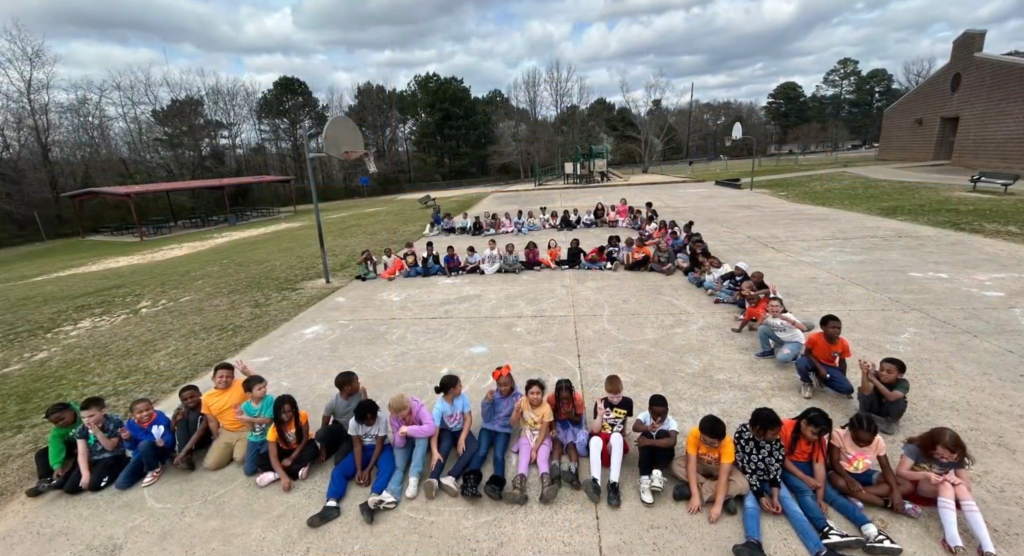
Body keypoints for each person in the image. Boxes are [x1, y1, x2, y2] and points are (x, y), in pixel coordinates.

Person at [731, 408, 851, 556]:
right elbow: (746, 468)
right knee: (751, 505)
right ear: (758, 430)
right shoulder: (741, 435)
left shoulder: (775, 440)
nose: (777, 437)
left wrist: (775, 495)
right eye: (773, 434)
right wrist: (761, 496)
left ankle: (821, 551)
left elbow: (775, 466)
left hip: (769, 478)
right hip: (747, 478)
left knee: (792, 507)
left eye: (778, 433)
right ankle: (753, 543)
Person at [780, 408, 900, 553]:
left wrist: (820, 495)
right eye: (814, 433)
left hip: (809, 465)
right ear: (803, 423)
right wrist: (804, 478)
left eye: (820, 435)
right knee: (804, 491)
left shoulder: (818, 439)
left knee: (833, 496)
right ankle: (826, 530)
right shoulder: (785, 427)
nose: (816, 438)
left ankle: (870, 529)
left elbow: (818, 464)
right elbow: (781, 458)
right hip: (787, 467)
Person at [897, 427, 995, 556]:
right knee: (945, 485)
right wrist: (925, 475)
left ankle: (987, 544)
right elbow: (900, 471)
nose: (944, 460)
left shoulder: (957, 456)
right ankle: (952, 537)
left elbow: (967, 486)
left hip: (939, 488)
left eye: (950, 458)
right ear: (930, 446)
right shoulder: (916, 448)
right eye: (940, 455)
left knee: (959, 487)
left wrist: (955, 479)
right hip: (917, 483)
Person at [307, 399, 394, 527]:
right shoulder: (353, 422)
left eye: (372, 419)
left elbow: (379, 445)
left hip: (381, 448)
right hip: (363, 449)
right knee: (338, 471)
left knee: (389, 467)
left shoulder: (382, 419)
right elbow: (357, 446)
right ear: (360, 419)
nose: (370, 422)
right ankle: (331, 505)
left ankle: (372, 499)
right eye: (367, 421)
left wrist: (368, 470)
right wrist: (359, 470)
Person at [829, 413, 920, 517]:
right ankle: (885, 503)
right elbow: (834, 462)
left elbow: (885, 467)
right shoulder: (838, 434)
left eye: (868, 442)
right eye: (857, 440)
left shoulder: (878, 441)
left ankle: (855, 494)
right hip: (841, 472)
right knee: (838, 482)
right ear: (850, 430)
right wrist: (848, 478)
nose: (862, 444)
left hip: (864, 472)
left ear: (874, 436)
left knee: (907, 486)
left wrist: (896, 492)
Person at [672, 414, 747, 519]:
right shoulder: (694, 434)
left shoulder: (727, 444)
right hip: (700, 464)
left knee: (743, 485)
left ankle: (698, 490)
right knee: (676, 465)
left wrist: (718, 505)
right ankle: (723, 495)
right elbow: (691, 465)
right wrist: (695, 495)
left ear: (720, 440)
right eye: (704, 440)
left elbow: (723, 477)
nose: (707, 445)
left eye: (712, 443)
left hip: (718, 468)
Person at [374, 393, 435, 508]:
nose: (400, 418)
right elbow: (399, 444)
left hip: (419, 439)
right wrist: (400, 435)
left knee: (422, 438)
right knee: (399, 465)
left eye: (402, 415)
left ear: (408, 407)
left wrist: (409, 429)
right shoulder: (394, 416)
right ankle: (391, 494)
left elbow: (431, 428)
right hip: (405, 441)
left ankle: (413, 479)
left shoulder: (419, 408)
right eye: (398, 416)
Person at [471, 365, 521, 501]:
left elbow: (513, 423)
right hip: (487, 428)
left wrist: (517, 409)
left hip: (503, 431)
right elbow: (486, 418)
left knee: (499, 456)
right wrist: (486, 402)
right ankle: (470, 482)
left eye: (506, 384)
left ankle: (496, 485)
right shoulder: (493, 396)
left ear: (511, 382)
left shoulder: (518, 398)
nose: (503, 388)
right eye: (500, 385)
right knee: (481, 452)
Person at [503, 379, 557, 505]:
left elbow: (544, 430)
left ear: (542, 394)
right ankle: (518, 491)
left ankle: (546, 489)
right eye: (531, 393)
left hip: (542, 437)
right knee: (523, 460)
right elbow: (512, 423)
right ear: (526, 394)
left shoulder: (546, 408)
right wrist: (516, 410)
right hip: (526, 435)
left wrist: (535, 449)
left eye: (538, 393)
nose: (535, 396)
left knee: (542, 460)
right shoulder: (522, 402)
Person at [425, 374, 478, 499]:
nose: (462, 387)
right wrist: (434, 452)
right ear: (451, 390)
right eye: (459, 385)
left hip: (460, 429)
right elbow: (435, 432)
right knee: (444, 446)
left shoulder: (463, 397)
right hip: (446, 431)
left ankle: (451, 477)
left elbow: (468, 418)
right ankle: (433, 480)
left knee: (474, 446)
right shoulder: (439, 407)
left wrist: (462, 439)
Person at [584, 374, 633, 507]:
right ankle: (596, 484)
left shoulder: (628, 402)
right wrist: (600, 415)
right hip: (601, 438)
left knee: (617, 436)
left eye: (619, 396)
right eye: (612, 397)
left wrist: (622, 435)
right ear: (606, 393)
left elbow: (625, 420)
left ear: (623, 390)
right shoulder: (601, 404)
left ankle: (613, 484)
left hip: (614, 442)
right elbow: (594, 429)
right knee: (594, 440)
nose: (616, 400)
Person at [65, 396, 128, 495]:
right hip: (94, 458)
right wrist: (85, 473)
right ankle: (94, 473)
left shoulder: (114, 421)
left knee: (94, 486)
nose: (86, 420)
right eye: (83, 417)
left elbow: (111, 447)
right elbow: (82, 453)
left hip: (113, 456)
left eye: (91, 416)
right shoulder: (81, 429)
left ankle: (122, 466)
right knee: (70, 489)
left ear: (102, 412)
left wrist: (98, 433)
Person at [254, 394, 319, 490]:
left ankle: (276, 475)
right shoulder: (273, 430)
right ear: (277, 412)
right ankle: (293, 470)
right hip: (284, 449)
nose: (285, 415)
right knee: (259, 461)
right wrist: (284, 478)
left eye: (289, 411)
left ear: (294, 409)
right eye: (282, 412)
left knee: (314, 449)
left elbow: (305, 438)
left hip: (301, 446)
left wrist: (291, 458)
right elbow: (273, 456)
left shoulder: (302, 416)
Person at [201, 360, 255, 470]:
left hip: (247, 428)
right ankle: (230, 450)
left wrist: (248, 373)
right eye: (220, 377)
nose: (224, 379)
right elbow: (212, 421)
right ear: (213, 379)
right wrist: (217, 438)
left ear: (233, 378)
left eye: (228, 377)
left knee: (240, 458)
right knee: (210, 465)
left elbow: (261, 384)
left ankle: (237, 450)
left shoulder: (241, 384)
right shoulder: (206, 398)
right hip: (227, 430)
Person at [115, 398, 175, 490]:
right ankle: (147, 466)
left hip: (161, 450)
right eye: (139, 412)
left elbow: (169, 436)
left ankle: (154, 468)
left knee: (144, 444)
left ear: (153, 408)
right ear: (133, 415)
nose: (145, 414)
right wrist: (128, 439)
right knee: (121, 484)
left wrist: (164, 441)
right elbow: (132, 447)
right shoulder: (130, 425)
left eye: (148, 409)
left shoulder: (161, 419)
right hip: (143, 454)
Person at [25, 402, 82, 497]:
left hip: (91, 442)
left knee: (81, 458)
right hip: (72, 445)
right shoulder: (57, 431)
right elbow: (55, 447)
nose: (60, 423)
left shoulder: (85, 415)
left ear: (72, 411)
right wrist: (57, 466)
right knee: (41, 454)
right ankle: (45, 481)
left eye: (62, 419)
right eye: (55, 423)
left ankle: (64, 480)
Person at [633, 394, 679, 507]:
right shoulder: (644, 416)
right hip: (649, 455)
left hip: (663, 457)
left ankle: (657, 473)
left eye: (664, 413)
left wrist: (648, 442)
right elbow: (635, 427)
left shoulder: (671, 422)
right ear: (649, 410)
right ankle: (644, 480)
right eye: (657, 414)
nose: (661, 416)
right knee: (646, 434)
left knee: (662, 434)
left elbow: (673, 441)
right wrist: (647, 428)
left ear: (668, 410)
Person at [796, 315, 855, 399]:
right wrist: (819, 367)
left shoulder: (843, 343)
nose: (836, 330)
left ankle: (820, 378)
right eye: (833, 327)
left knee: (847, 389)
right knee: (801, 363)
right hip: (813, 361)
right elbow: (807, 352)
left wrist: (844, 379)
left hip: (829, 366)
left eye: (839, 328)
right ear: (823, 327)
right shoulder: (814, 337)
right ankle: (807, 382)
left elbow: (842, 362)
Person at [316, 371, 366, 465]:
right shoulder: (333, 403)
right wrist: (322, 448)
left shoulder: (360, 395)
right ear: (347, 388)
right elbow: (324, 424)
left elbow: (367, 411)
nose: (359, 383)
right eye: (356, 382)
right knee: (320, 434)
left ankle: (341, 446)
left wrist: (364, 395)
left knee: (339, 461)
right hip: (339, 428)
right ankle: (332, 446)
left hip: (352, 432)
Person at [547, 378, 587, 491]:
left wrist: (569, 414)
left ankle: (574, 474)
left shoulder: (577, 399)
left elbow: (578, 420)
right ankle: (555, 473)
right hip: (558, 421)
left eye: (567, 398)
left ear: (572, 393)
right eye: (562, 398)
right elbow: (550, 416)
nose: (564, 400)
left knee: (571, 445)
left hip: (573, 422)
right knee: (557, 444)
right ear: (557, 394)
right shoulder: (551, 399)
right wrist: (553, 429)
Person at [857, 358, 909, 435]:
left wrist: (873, 379)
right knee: (862, 389)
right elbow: (866, 392)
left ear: (899, 375)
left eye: (889, 372)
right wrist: (865, 373)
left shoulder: (903, 383)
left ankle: (889, 423)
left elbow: (891, 397)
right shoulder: (875, 375)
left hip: (887, 411)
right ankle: (864, 414)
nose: (883, 373)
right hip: (874, 407)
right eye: (881, 369)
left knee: (898, 399)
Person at [237, 375, 274, 477]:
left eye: (264, 387)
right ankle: (261, 461)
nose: (264, 390)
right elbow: (250, 428)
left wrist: (249, 418)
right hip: (254, 438)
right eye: (259, 389)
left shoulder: (269, 399)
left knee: (263, 462)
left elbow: (267, 420)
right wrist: (241, 417)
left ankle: (266, 464)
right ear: (249, 393)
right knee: (249, 471)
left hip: (269, 437)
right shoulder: (245, 406)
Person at [755, 297, 808, 362]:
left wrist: (787, 319)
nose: (774, 308)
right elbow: (756, 327)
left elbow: (804, 328)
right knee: (762, 328)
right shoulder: (768, 316)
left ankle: (796, 354)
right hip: (781, 339)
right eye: (771, 306)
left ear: (782, 308)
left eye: (777, 306)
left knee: (782, 358)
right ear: (767, 307)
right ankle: (767, 351)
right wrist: (761, 318)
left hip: (794, 341)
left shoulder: (787, 316)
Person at [171, 385, 211, 471]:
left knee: (196, 417)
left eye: (192, 397)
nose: (189, 400)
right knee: (181, 421)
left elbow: (201, 430)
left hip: (205, 437)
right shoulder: (182, 407)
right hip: (190, 440)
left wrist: (183, 452)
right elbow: (172, 430)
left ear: (200, 394)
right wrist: (174, 418)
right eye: (185, 399)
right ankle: (187, 457)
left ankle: (185, 454)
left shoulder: (205, 404)